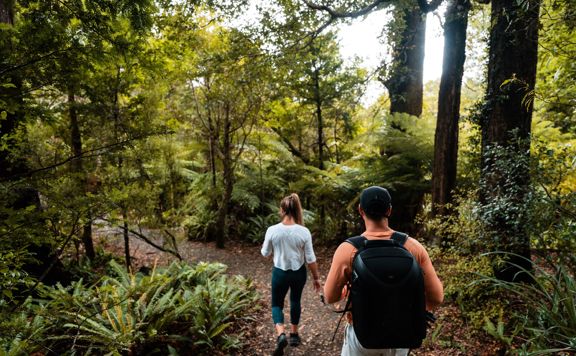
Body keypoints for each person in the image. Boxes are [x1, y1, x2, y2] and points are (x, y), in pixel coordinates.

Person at [323, 186, 444, 356]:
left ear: (360, 210)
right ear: (389, 210)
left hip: (362, 334)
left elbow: (330, 297)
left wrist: (344, 292)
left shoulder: (348, 250)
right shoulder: (413, 247)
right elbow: (437, 297)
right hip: (401, 334)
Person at [261, 193, 321, 356]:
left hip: (279, 273)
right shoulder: (304, 231)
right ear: (296, 210)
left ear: (282, 210)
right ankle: (294, 335)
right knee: (295, 300)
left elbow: (265, 253)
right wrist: (316, 278)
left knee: (276, 304)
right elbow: (310, 258)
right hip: (298, 273)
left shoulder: (272, 230)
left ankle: (281, 334)